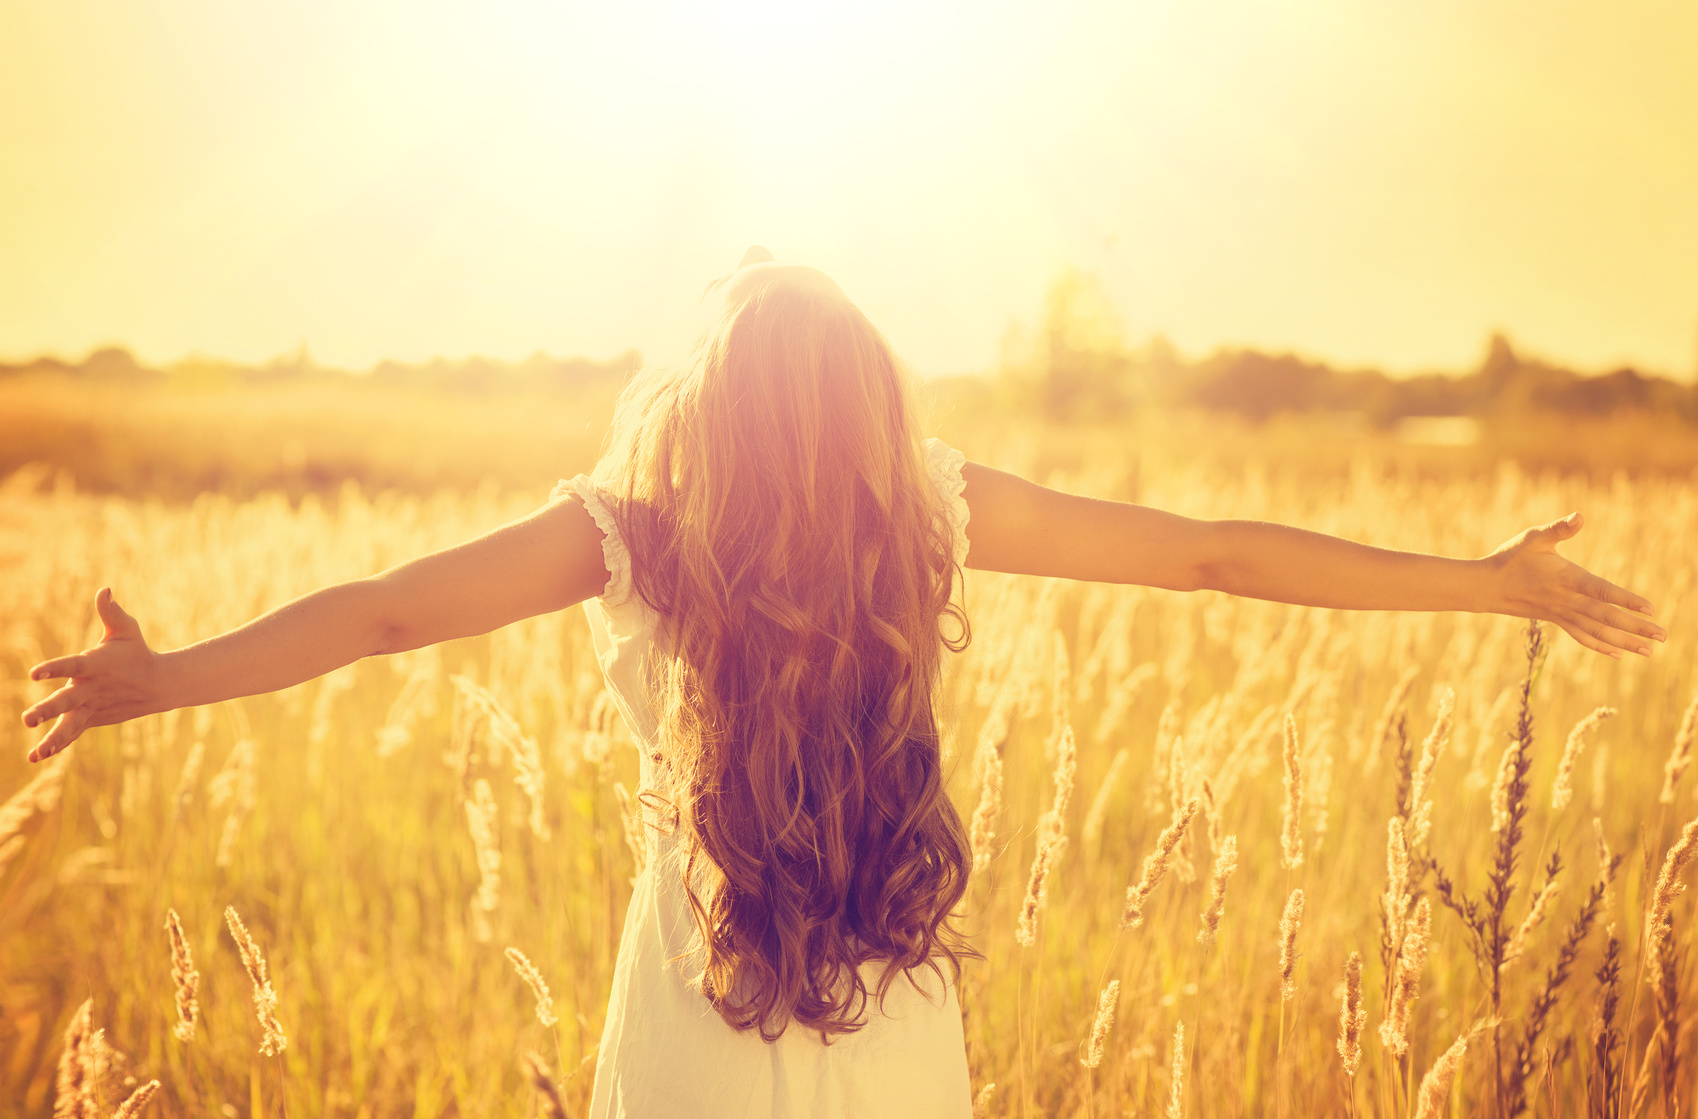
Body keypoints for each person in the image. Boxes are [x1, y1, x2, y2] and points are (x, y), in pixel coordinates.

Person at [20, 247, 1666, 1118]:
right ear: (862, 402)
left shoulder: (628, 534)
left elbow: (379, 616)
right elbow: (1210, 554)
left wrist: (165, 685)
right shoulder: (926, 515)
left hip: (692, 1016)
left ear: (702, 401)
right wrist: (1482, 583)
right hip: (892, 1001)